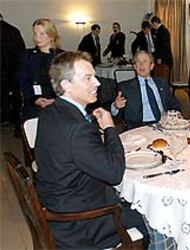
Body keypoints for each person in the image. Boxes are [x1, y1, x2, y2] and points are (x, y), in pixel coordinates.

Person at [35, 51, 177, 249]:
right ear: (66, 84)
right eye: (88, 78)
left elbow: (75, 153)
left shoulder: (51, 113)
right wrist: (110, 128)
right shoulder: (77, 129)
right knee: (161, 215)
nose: (97, 83)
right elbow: (115, 174)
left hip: (59, 201)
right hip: (82, 221)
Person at [112, 50, 181, 130]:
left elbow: (173, 102)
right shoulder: (125, 87)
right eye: (138, 62)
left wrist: (177, 114)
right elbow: (116, 115)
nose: (141, 65)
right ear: (134, 66)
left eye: (145, 61)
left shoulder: (162, 83)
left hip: (163, 124)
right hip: (138, 128)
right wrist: (116, 106)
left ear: (151, 66)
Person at [18, 18, 64, 120]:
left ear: (51, 35)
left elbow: (70, 83)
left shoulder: (63, 57)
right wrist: (34, 99)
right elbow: (22, 81)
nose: (37, 38)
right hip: (34, 106)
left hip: (59, 106)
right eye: (35, 34)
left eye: (42, 34)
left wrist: (56, 100)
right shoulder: (27, 56)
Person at [0, 13, 26, 131]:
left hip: (6, 71)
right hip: (12, 71)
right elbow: (20, 54)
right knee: (13, 97)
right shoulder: (13, 31)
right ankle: (12, 119)